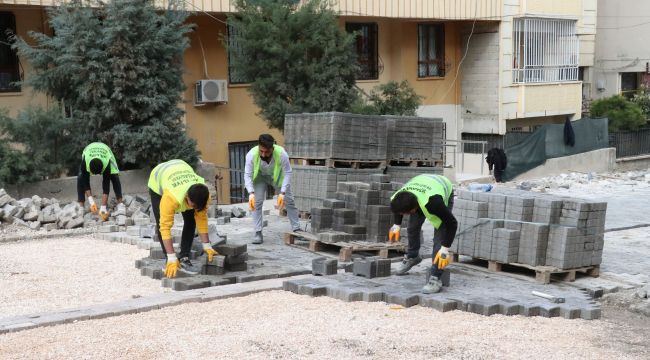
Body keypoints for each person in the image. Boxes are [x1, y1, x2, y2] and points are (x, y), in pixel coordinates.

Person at [147, 159, 218, 278]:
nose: (192, 208)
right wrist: (171, 256)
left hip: (180, 167)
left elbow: (201, 218)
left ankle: (184, 257)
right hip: (157, 179)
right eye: (192, 205)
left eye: (196, 206)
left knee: (191, 221)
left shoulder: (204, 195)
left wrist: (207, 245)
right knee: (161, 224)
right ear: (187, 196)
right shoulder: (171, 197)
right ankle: (169, 259)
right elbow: (165, 227)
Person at [389, 174, 457, 294]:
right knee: (412, 227)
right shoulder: (398, 196)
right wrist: (397, 225)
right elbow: (397, 209)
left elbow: (452, 223)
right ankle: (413, 256)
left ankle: (436, 277)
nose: (403, 215)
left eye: (406, 213)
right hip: (423, 185)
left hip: (441, 188)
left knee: (439, 238)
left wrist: (445, 248)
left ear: (413, 210)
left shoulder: (434, 203)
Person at [244, 134, 301, 244]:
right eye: (261, 151)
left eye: (267, 152)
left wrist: (283, 192)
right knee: (256, 202)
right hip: (260, 177)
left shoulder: (281, 154)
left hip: (276, 178)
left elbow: (288, 172)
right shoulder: (251, 154)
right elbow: (247, 174)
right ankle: (258, 232)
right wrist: (251, 193)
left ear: (272, 148)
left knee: (289, 201)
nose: (263, 154)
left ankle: (296, 228)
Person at [77, 142, 123, 220]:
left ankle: (121, 204)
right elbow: (85, 183)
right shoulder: (85, 162)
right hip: (89, 150)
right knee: (80, 178)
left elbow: (106, 184)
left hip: (105, 150)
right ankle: (81, 208)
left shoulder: (106, 163)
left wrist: (103, 207)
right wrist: (91, 202)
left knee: (114, 176)